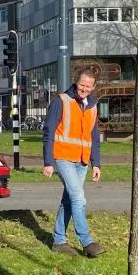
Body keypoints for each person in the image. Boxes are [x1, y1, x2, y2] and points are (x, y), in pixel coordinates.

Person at [42, 65, 106, 258]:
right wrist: (48, 162)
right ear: (76, 82)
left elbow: (94, 137)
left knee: (69, 200)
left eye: (88, 86)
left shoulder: (92, 106)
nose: (84, 88)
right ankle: (87, 242)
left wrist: (96, 163)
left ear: (93, 87)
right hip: (63, 157)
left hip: (82, 160)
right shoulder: (61, 101)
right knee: (78, 198)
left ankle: (59, 241)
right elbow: (49, 131)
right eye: (81, 84)